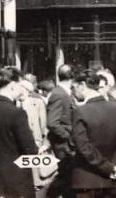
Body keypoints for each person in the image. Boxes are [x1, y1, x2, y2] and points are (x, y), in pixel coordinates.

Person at [0, 66, 38, 198]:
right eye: (20, 85)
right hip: (16, 181)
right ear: (13, 85)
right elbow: (30, 150)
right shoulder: (17, 114)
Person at [71, 69, 116, 196]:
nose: (72, 92)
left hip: (87, 179)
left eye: (74, 87)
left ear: (82, 86)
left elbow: (84, 147)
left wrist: (106, 167)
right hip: (112, 179)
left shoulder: (80, 111)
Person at [47, 64, 76, 198]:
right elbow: (52, 123)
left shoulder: (62, 93)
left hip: (64, 143)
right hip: (63, 144)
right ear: (72, 77)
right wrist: (67, 137)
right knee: (66, 178)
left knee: (67, 178)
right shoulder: (59, 94)